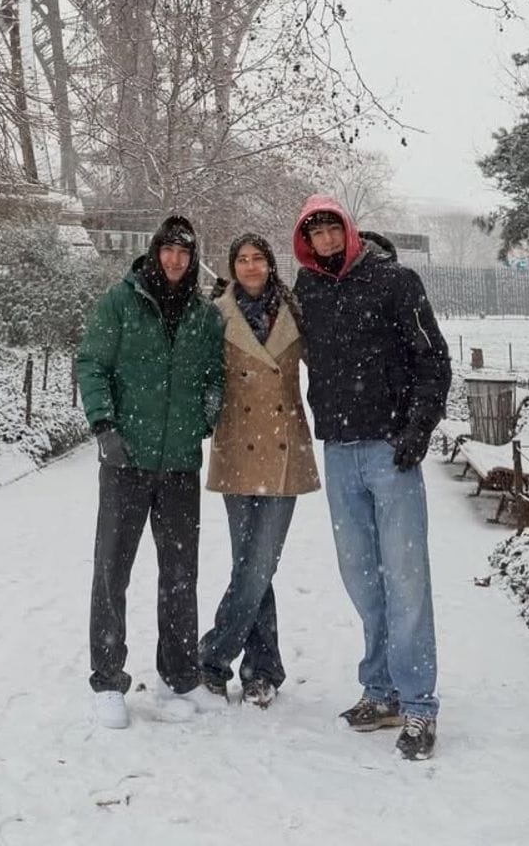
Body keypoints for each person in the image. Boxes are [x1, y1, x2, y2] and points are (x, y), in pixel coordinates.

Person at [292, 195, 451, 761]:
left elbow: (435, 360)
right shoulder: (307, 291)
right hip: (339, 451)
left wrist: (416, 432)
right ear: (305, 240)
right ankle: (380, 690)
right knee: (362, 577)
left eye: (331, 226)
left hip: (390, 452)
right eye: (314, 230)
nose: (325, 237)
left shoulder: (397, 283)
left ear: (348, 230)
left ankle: (418, 703)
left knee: (406, 580)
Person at [77, 213, 226, 729]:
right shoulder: (122, 302)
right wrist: (104, 426)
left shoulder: (204, 316)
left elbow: (214, 377)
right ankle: (107, 679)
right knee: (112, 571)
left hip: (180, 464)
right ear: (155, 251)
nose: (176, 260)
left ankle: (179, 676)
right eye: (168, 250)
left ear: (193, 257)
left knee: (181, 575)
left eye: (185, 252)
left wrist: (206, 415)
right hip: (126, 462)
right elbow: (91, 362)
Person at [200, 232, 319, 707]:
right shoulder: (214, 315)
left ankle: (212, 655)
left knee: (258, 562)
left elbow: (330, 360)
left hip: (284, 447)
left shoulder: (295, 312)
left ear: (270, 265)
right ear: (232, 268)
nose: (250, 267)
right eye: (241, 260)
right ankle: (261, 670)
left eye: (258, 259)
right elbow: (200, 371)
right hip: (237, 447)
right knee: (251, 566)